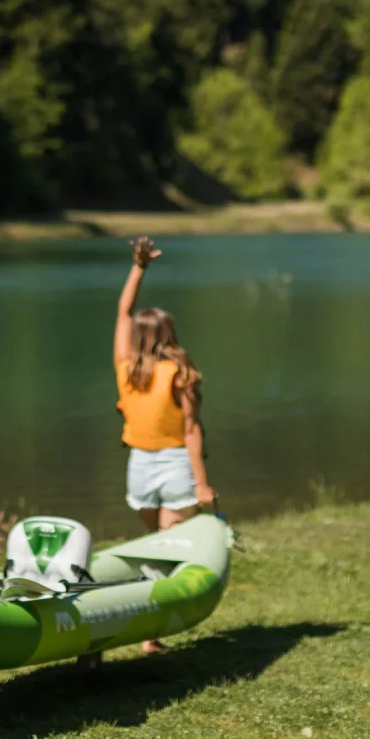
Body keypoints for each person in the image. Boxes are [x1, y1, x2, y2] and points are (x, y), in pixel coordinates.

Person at [114, 235, 216, 652]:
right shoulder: (180, 372)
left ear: (137, 336)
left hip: (140, 464)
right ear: (170, 334)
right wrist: (203, 483)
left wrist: (139, 267)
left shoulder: (126, 367)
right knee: (165, 550)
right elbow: (192, 430)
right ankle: (150, 633)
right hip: (170, 464)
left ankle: (150, 634)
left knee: (158, 548)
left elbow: (122, 312)